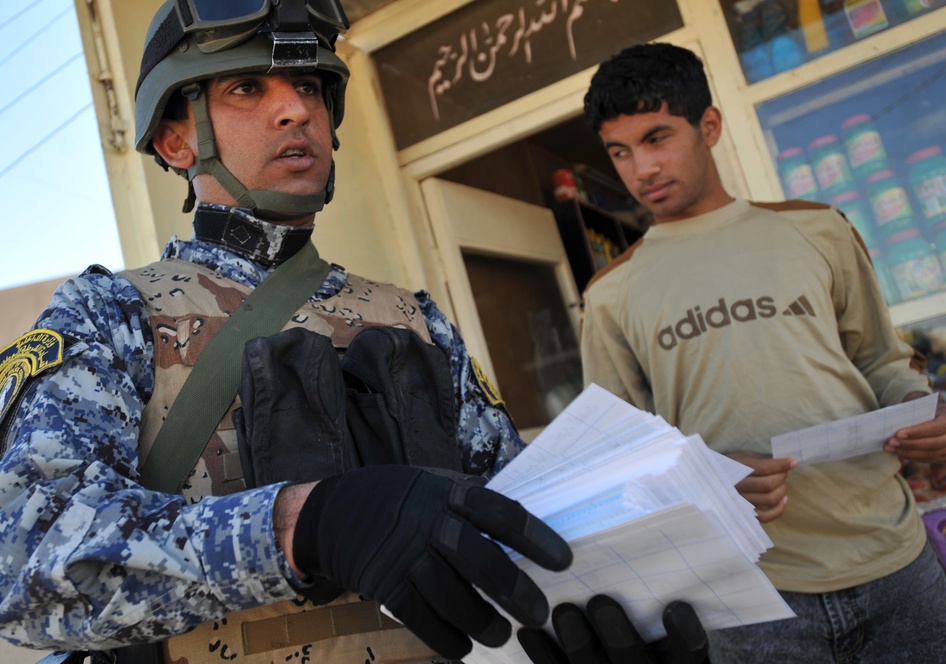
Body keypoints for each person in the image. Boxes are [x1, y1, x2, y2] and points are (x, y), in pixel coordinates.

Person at [0, 2, 575, 662]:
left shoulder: (417, 319)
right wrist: (304, 523)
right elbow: (25, 560)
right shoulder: (111, 313)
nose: (296, 110)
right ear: (176, 140)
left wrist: (590, 602)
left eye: (309, 87)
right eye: (248, 87)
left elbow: (518, 516)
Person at [579, 42, 946, 663]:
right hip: (744, 595)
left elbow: (882, 360)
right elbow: (618, 459)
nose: (641, 169)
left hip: (892, 558)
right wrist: (703, 482)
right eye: (620, 152)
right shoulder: (609, 296)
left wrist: (927, 417)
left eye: (657, 138)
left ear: (708, 126)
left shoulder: (817, 229)